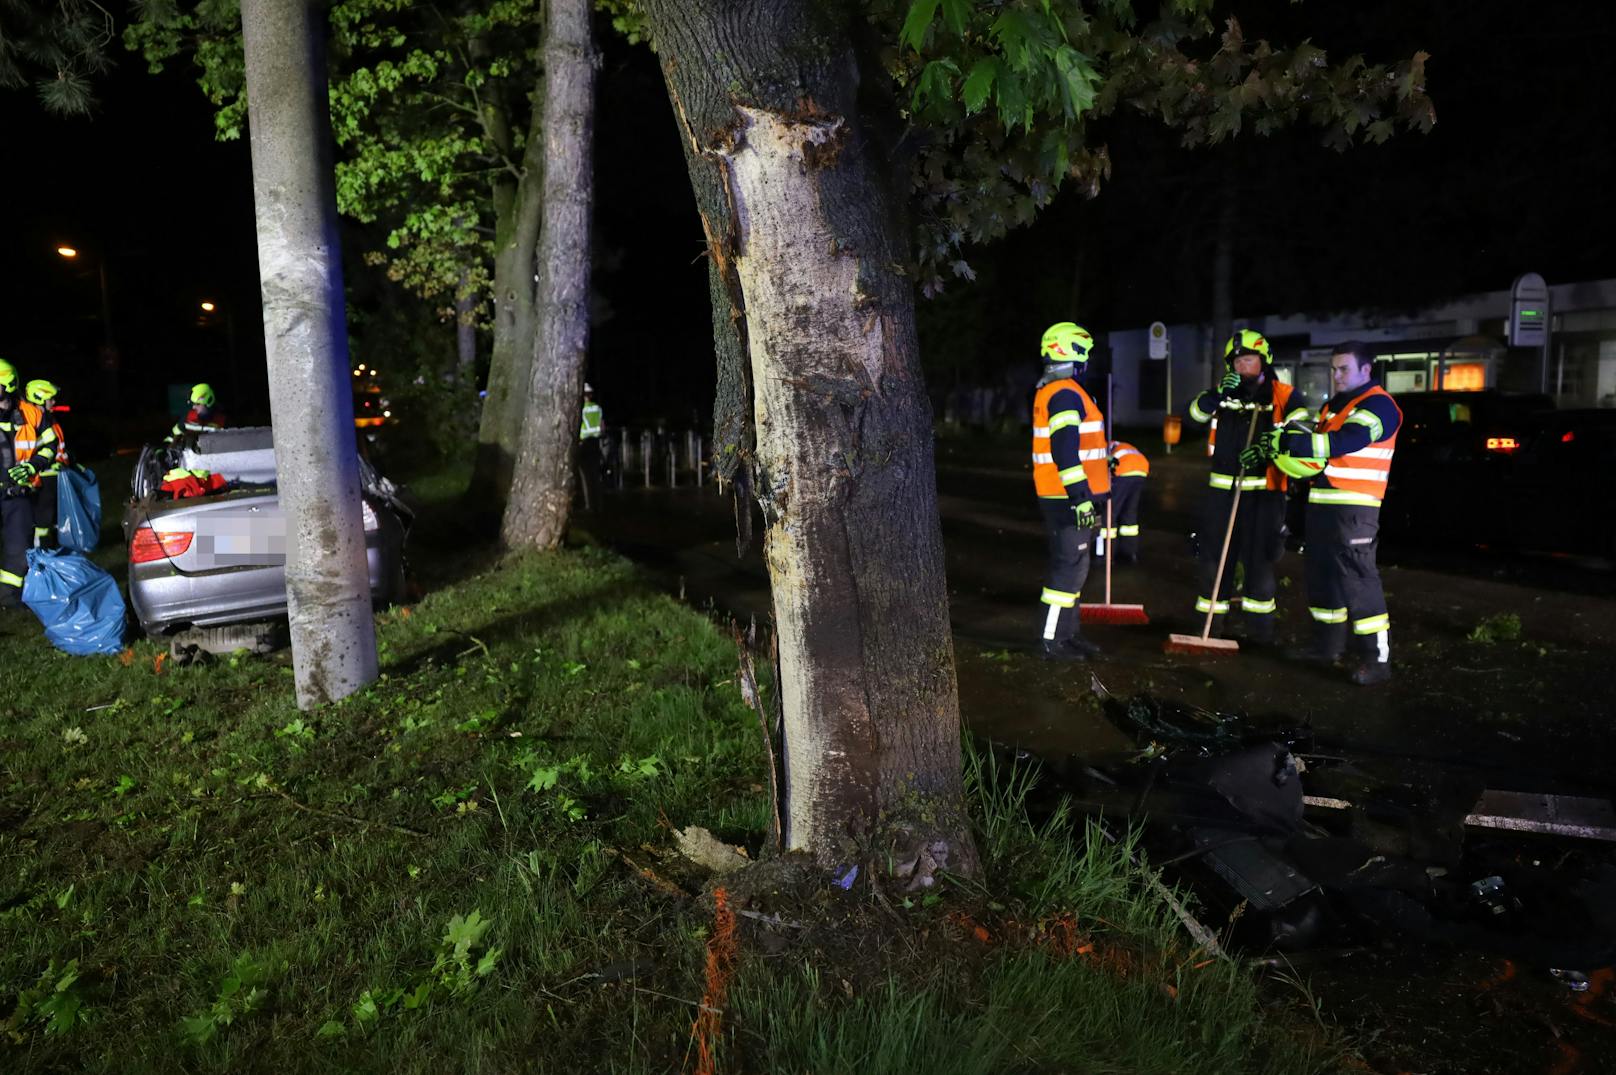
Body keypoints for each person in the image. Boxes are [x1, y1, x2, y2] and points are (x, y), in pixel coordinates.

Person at [1261, 341, 1402, 685]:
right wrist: (1283, 443)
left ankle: (1376, 660)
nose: (1336, 375)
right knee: (1321, 577)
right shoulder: (1334, 407)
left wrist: (1298, 444)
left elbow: (1345, 442)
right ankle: (1327, 647)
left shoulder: (1379, 405)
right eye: (1334, 369)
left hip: (1355, 508)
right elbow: (1314, 456)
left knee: (1358, 580)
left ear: (1366, 370)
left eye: (1344, 369)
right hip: (1323, 504)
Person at [1184, 330, 1310, 645]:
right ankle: (1210, 629)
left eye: (1248, 359)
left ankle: (1260, 635)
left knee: (1260, 564)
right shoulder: (1223, 394)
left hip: (1265, 495)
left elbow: (1304, 436)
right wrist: (1215, 396)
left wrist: (1269, 450)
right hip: (1222, 495)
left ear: (1263, 361)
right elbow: (1193, 417)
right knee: (1215, 561)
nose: (1241, 366)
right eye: (1236, 361)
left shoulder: (1285, 395)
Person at [1031, 321, 1111, 660]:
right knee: (1067, 570)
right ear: (1073, 353)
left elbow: (1081, 447)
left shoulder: (1060, 390)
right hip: (1067, 497)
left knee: (1076, 569)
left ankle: (1068, 634)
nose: (1088, 361)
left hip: (1068, 494)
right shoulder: (1064, 393)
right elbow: (1064, 451)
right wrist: (1080, 498)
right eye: (1086, 354)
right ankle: (1051, 641)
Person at [0, 360, 53, 608]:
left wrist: (33, 466)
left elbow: (50, 444)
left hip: (17, 493)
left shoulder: (33, 414)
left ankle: (9, 596)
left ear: (7, 385)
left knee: (18, 544)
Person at [20, 379, 69, 547]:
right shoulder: (32, 422)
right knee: (43, 520)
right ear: (39, 399)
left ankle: (52, 549)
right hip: (42, 478)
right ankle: (41, 550)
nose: (54, 402)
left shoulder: (48, 420)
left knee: (53, 519)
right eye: (51, 399)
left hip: (55, 477)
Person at [1105, 440, 1149, 563]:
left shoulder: (1100, 448)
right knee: (1129, 513)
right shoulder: (1117, 445)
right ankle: (1129, 552)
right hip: (1141, 469)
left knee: (1110, 513)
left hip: (1124, 469)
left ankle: (1107, 554)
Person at [577, 382, 604, 510]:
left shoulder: (580, 409)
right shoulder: (598, 408)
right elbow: (602, 426)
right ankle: (598, 503)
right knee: (595, 475)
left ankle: (589, 505)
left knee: (585, 477)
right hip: (595, 443)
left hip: (584, 444)